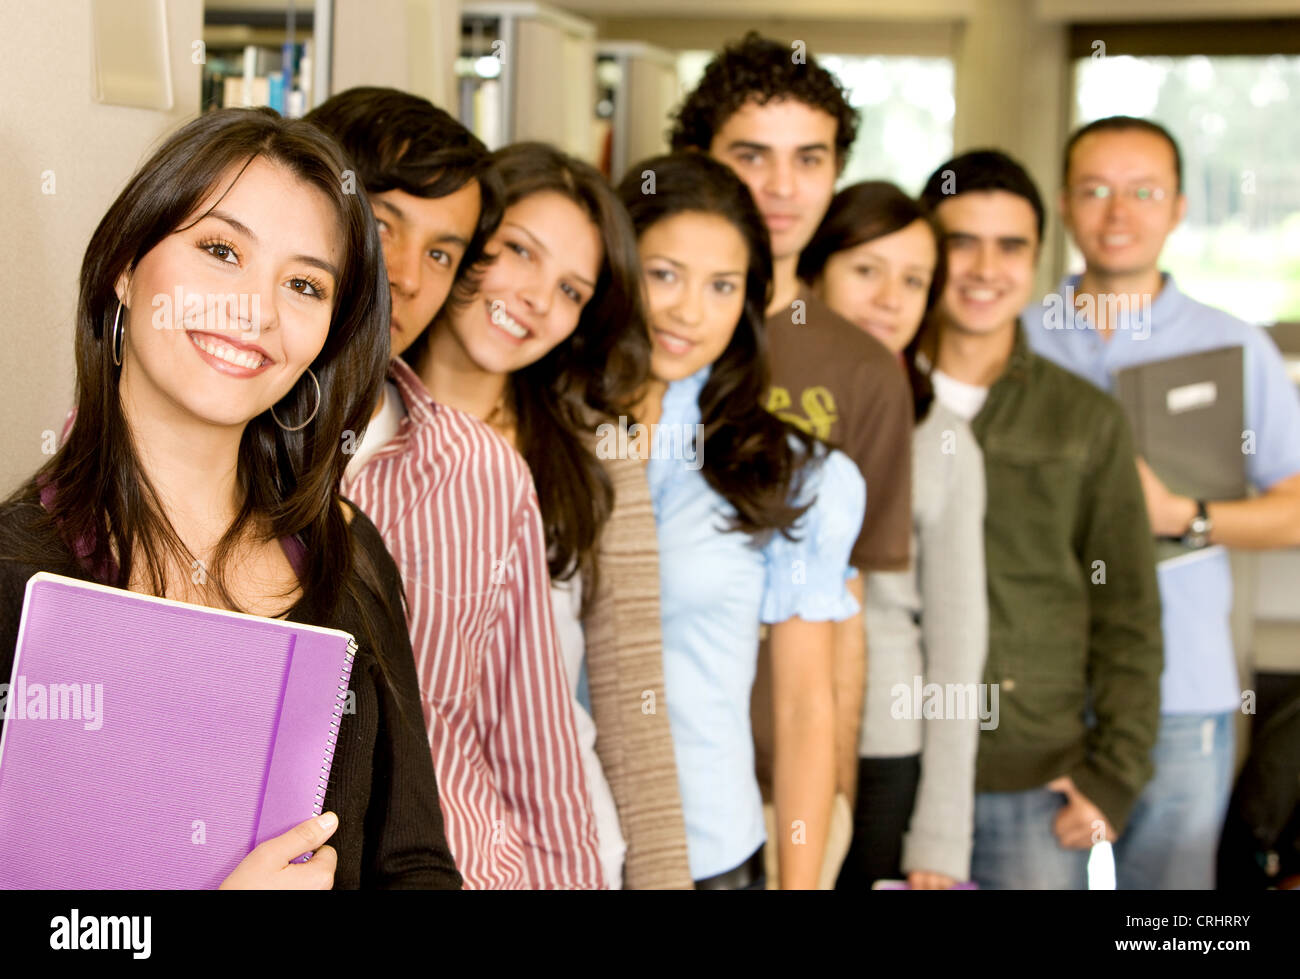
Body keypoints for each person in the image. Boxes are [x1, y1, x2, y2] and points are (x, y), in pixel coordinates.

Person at [0, 107, 460, 889]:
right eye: (220, 250)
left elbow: (413, 862)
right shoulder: (16, 575)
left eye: (304, 284)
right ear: (125, 265)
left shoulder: (348, 560)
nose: (257, 311)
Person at [304, 90, 608, 889]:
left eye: (441, 254)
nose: (403, 276)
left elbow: (538, 753)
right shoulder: (200, 433)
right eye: (381, 226)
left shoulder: (485, 473)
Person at [1023, 115, 1300, 890]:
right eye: (1096, 190)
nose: (1119, 212)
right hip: (1032, 689)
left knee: (1166, 925)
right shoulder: (1014, 337)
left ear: (1178, 207)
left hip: (1184, 690)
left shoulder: (1235, 346)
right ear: (1065, 205)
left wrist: (1186, 516)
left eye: (1144, 191)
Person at [408, 140, 694, 889]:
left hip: (563, 854)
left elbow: (635, 707)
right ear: (463, 241)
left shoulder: (597, 458)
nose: (537, 298)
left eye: (571, 291)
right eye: (519, 253)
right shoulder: (353, 429)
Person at [670, 33, 914, 881]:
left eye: (808, 159)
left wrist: (829, 796)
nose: (780, 186)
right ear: (697, 159)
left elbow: (850, 622)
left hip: (772, 792)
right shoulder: (643, 333)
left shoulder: (864, 367)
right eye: (751, 155)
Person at [616, 151, 865, 889]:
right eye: (664, 273)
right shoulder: (536, 438)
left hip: (708, 853)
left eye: (722, 285)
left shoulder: (795, 474)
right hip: (546, 848)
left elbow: (802, 709)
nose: (689, 311)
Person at [918, 149, 1164, 890]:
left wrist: (1114, 777)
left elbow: (1129, 610)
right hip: (890, 765)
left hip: (1029, 782)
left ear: (1037, 258)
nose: (985, 268)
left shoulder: (1084, 417)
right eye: (961, 241)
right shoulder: (876, 395)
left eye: (1011, 246)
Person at [798, 181, 989, 890]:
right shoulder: (748, 405)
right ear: (813, 274)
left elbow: (957, 646)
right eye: (866, 270)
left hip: (883, 750)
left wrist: (941, 830)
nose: (891, 298)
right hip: (751, 736)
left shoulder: (944, 442)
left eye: (914, 280)